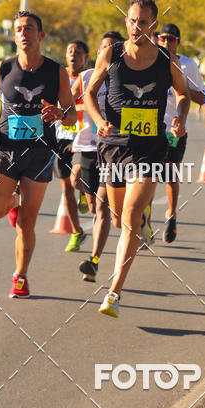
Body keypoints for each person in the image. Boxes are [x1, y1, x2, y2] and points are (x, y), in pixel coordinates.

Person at [84, 0, 189, 318]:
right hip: (114, 145)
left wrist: (180, 119)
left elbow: (182, 94)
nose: (136, 27)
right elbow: (88, 93)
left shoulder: (164, 59)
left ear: (153, 26)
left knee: (128, 217)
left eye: (143, 22)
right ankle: (141, 220)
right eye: (132, 20)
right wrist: (100, 121)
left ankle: (114, 292)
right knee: (118, 218)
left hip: (150, 147)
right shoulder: (111, 54)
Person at [0, 11, 77, 298]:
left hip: (40, 152)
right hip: (7, 149)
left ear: (40, 35)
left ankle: (20, 277)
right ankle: (12, 201)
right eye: (19, 29)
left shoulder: (56, 71)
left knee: (27, 222)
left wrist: (61, 113)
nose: (24, 33)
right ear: (14, 35)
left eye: (30, 28)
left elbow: (71, 115)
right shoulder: (3, 68)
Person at [71, 30, 125, 282]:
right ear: (99, 52)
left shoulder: (127, 77)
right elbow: (68, 105)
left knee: (105, 209)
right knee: (95, 205)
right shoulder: (86, 77)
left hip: (116, 149)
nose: (110, 51)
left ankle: (93, 261)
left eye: (115, 47)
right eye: (106, 47)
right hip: (90, 148)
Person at [157, 24, 205, 243]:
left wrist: (182, 87)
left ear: (178, 41)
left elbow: (202, 99)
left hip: (175, 129)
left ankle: (171, 214)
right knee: (146, 176)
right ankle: (144, 223)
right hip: (151, 129)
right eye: (163, 38)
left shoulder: (188, 64)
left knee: (170, 174)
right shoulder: (149, 61)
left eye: (172, 39)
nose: (167, 42)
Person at [54, 41, 89, 252]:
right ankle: (77, 231)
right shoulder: (59, 77)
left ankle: (84, 191)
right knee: (66, 188)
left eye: (78, 52)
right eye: (70, 52)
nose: (73, 55)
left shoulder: (90, 78)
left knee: (76, 182)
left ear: (86, 58)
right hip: (60, 137)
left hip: (82, 138)